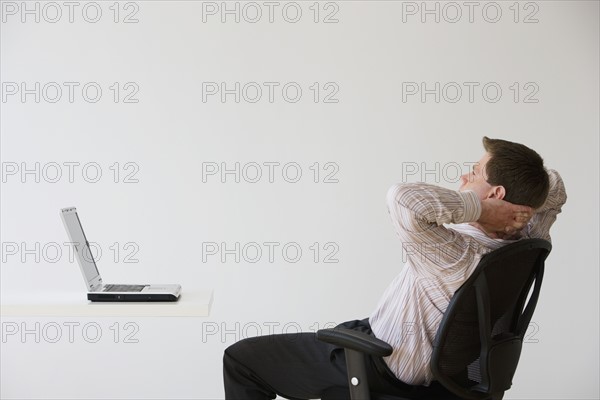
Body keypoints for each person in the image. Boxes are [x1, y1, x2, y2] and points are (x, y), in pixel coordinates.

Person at [223, 137, 567, 399]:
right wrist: (508, 206)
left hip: (382, 362)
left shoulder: (456, 253)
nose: (464, 175)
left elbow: (402, 198)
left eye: (474, 172)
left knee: (241, 360)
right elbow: (553, 183)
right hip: (429, 362)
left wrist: (480, 208)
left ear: (495, 193)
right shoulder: (527, 236)